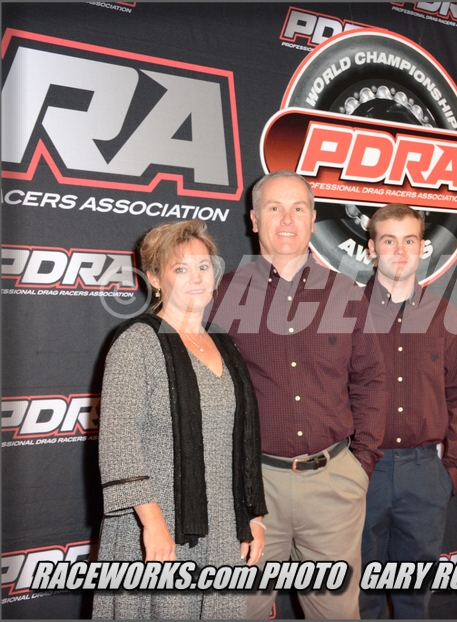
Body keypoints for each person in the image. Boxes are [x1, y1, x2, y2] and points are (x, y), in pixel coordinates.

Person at [210, 170, 385, 620]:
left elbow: (370, 381)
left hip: (333, 484)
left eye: (298, 209)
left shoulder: (347, 294)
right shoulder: (222, 294)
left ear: (312, 219)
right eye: (274, 208)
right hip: (252, 489)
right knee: (242, 612)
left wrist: (361, 464)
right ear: (254, 219)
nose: (287, 220)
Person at [93, 220, 267, 620]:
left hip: (222, 526)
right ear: (155, 278)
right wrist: (153, 525)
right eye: (181, 268)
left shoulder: (223, 341)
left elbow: (241, 440)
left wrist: (253, 515)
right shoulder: (137, 342)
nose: (197, 278)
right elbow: (119, 439)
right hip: (157, 523)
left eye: (203, 267)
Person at [359, 204, 457, 619]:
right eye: (389, 240)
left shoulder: (443, 315)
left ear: (422, 247)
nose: (400, 251)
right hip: (362, 473)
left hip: (424, 475)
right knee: (362, 597)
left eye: (409, 240)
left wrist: (452, 471)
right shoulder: (346, 312)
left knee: (414, 600)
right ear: (371, 248)